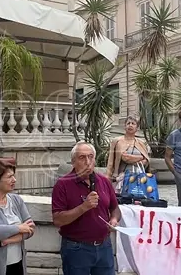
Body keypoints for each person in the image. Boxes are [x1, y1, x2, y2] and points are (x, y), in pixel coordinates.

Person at [52, 141, 119, 275]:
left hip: (104, 246)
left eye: (90, 157)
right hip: (76, 249)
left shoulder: (104, 181)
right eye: (82, 157)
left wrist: (114, 220)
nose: (88, 162)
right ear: (73, 162)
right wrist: (84, 207)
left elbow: (115, 208)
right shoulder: (62, 184)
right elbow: (58, 220)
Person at [106, 116, 150, 191]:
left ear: (137, 128)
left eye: (133, 123)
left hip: (138, 177)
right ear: (125, 126)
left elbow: (146, 161)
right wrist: (140, 158)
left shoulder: (141, 143)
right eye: (128, 123)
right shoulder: (117, 141)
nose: (130, 125)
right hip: (122, 177)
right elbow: (125, 158)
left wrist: (141, 159)